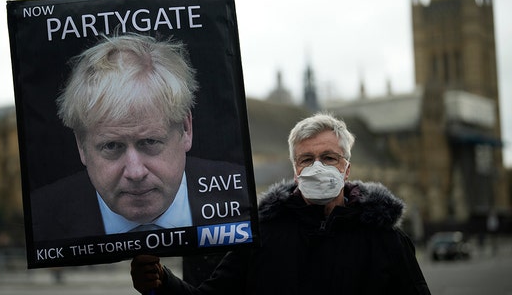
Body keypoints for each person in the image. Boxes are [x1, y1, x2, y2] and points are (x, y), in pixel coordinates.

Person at [131, 112, 431, 294]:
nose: (317, 167)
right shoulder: (261, 236)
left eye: (328, 158)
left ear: (346, 168)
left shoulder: (385, 241)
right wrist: (160, 283)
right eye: (306, 159)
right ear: (295, 170)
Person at [31, 33, 249, 240]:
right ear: (81, 145)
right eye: (112, 146)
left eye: (149, 142)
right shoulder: (41, 220)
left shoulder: (243, 200)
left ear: (186, 128)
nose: (135, 173)